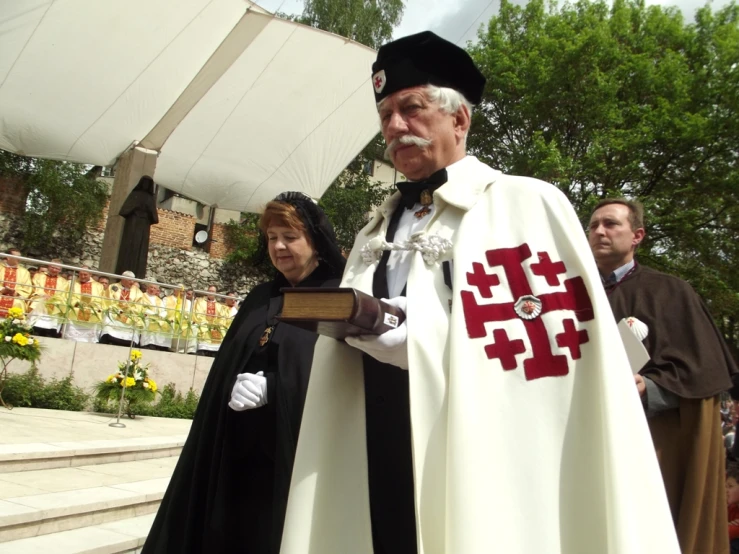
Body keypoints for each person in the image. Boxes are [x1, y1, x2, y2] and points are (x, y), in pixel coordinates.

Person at [281, 31, 679, 554]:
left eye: (412, 108)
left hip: (474, 443)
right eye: (385, 115)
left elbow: (547, 346)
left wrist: (422, 342)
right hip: (373, 435)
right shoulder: (375, 226)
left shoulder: (522, 204)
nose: (396, 127)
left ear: (459, 119)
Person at [142, 192, 346, 554]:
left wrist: (278, 386)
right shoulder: (260, 297)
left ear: (315, 241)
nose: (279, 246)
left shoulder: (337, 298)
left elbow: (342, 379)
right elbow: (229, 366)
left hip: (294, 455)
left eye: (290, 237)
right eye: (272, 238)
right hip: (238, 455)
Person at [587, 198, 737, 554]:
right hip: (581, 432)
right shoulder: (569, 292)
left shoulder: (671, 292)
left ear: (637, 235)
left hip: (651, 440)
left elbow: (701, 370)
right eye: (593, 226)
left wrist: (649, 387)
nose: (598, 232)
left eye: (610, 224)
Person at [115, 175, 159, 279]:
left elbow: (155, 218)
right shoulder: (135, 194)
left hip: (143, 228)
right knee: (128, 249)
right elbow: (124, 211)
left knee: (140, 251)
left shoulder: (150, 198)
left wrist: (147, 210)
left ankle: (137, 277)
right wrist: (136, 208)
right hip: (132, 225)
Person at [99, 270, 145, 346]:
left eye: (133, 280)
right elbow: (107, 301)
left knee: (136, 320)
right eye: (130, 280)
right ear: (123, 279)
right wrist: (117, 309)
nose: (132, 282)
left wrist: (129, 309)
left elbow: (139, 306)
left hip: (129, 314)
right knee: (108, 315)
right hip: (115, 312)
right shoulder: (113, 287)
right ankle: (107, 337)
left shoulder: (137, 292)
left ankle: (130, 342)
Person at [28, 258, 70, 337]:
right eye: (52, 267)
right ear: (48, 266)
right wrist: (43, 294)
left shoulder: (63, 281)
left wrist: (53, 298)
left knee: (58, 305)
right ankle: (34, 327)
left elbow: (63, 295)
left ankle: (50, 330)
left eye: (57, 268)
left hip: (55, 301)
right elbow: (35, 287)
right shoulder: (38, 276)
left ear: (60, 270)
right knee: (37, 302)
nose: (54, 270)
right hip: (40, 297)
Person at [64, 265, 106, 343]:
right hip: (75, 309)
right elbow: (67, 296)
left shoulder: (98, 286)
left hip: (91, 311)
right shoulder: (71, 283)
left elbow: (101, 300)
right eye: (80, 274)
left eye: (85, 275)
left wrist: (92, 305)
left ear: (90, 274)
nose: (82, 276)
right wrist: (77, 303)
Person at [192, 285, 230, 357]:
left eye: (213, 291)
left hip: (216, 326)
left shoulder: (219, 305)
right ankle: (203, 350)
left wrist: (216, 324)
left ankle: (215, 352)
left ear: (216, 293)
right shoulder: (200, 302)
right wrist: (206, 323)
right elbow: (198, 314)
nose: (211, 293)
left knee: (221, 331)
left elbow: (222, 318)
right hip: (204, 324)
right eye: (209, 291)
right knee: (203, 329)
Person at [0, 248, 33, 319]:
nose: (19, 259)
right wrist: (2, 290)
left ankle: (14, 327)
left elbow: (27, 288)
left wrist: (16, 293)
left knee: (18, 302)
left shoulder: (24, 272)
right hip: (0, 294)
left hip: (16, 297)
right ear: (8, 257)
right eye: (16, 257)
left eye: (20, 257)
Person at [139, 282, 171, 351]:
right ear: (147, 288)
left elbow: (163, 310)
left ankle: (158, 345)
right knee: (149, 322)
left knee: (166, 324)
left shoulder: (158, 299)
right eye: (151, 287)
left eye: (154, 288)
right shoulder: (142, 296)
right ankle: (146, 343)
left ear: (157, 291)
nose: (152, 289)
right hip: (147, 316)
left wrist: (162, 315)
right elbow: (141, 307)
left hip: (158, 318)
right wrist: (152, 314)